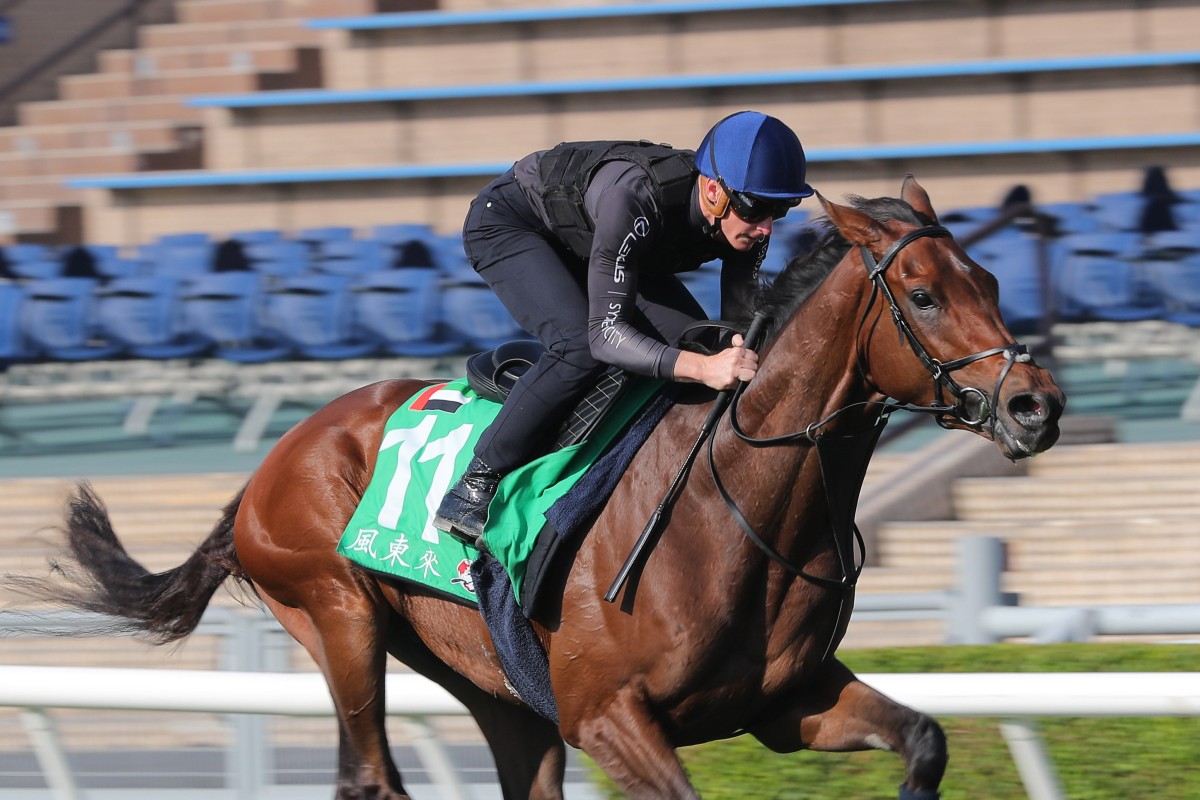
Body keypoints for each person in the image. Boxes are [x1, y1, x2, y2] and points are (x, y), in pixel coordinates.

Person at [432, 110, 814, 547]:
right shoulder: (635, 197)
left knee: (704, 342)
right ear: (713, 191)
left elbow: (736, 327)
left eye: (781, 210)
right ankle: (477, 481)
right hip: (515, 225)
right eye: (758, 208)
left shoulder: (747, 222)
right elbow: (605, 335)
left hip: (599, 242)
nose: (767, 225)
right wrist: (704, 369)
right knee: (579, 346)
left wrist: (728, 356)